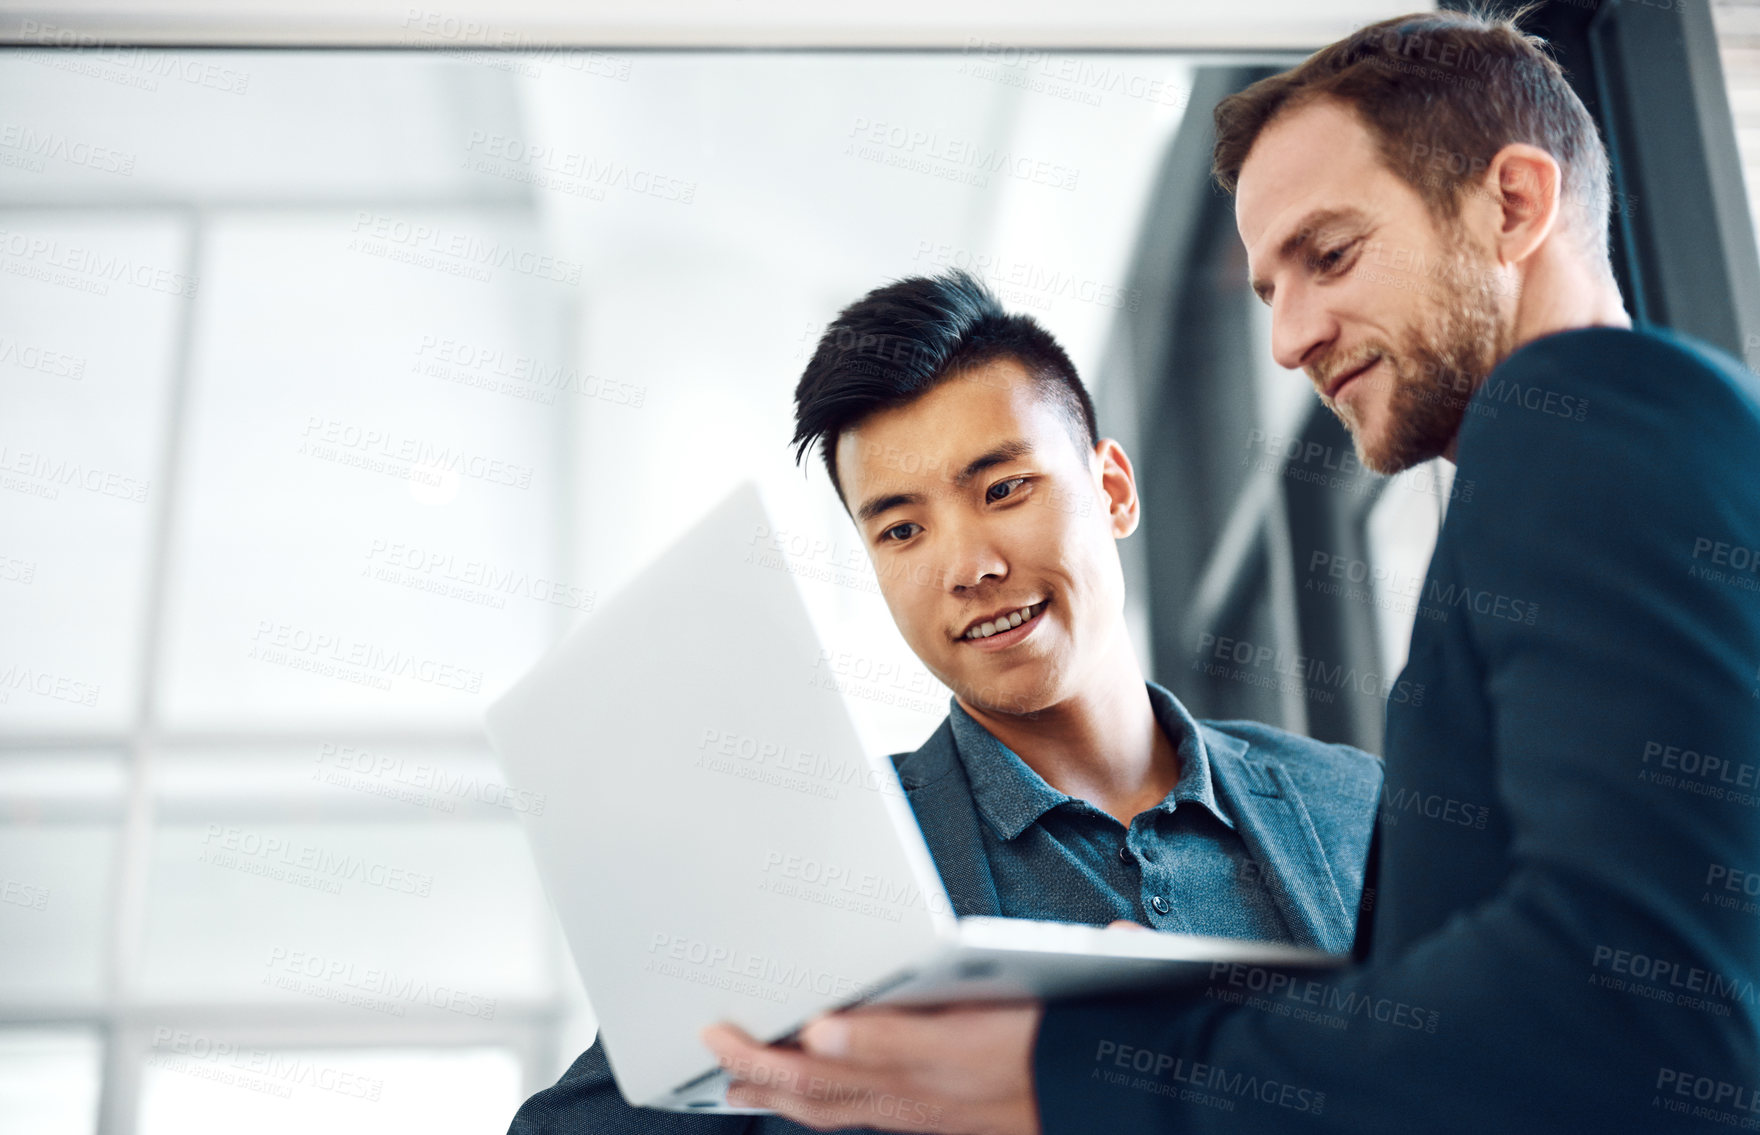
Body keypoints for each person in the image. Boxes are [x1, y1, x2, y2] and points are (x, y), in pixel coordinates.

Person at [702, 9, 1760, 1132]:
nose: (1289, 338)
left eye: (1331, 255)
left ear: (1511, 204)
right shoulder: (831, 867)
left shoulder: (1583, 421)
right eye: (1267, 290)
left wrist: (1087, 1070)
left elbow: (1639, 1007)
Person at [507, 272, 1383, 1134]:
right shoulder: (817, 869)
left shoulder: (1355, 805)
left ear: (1112, 490)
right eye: (901, 529)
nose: (969, 566)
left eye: (1004, 489)